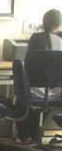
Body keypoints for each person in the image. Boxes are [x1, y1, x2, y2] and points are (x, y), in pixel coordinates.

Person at [18, 9, 62, 143]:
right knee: (43, 101)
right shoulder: (60, 41)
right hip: (56, 91)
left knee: (20, 95)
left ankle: (25, 135)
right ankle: (36, 134)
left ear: (44, 22)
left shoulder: (35, 38)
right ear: (59, 24)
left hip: (35, 89)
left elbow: (28, 66)